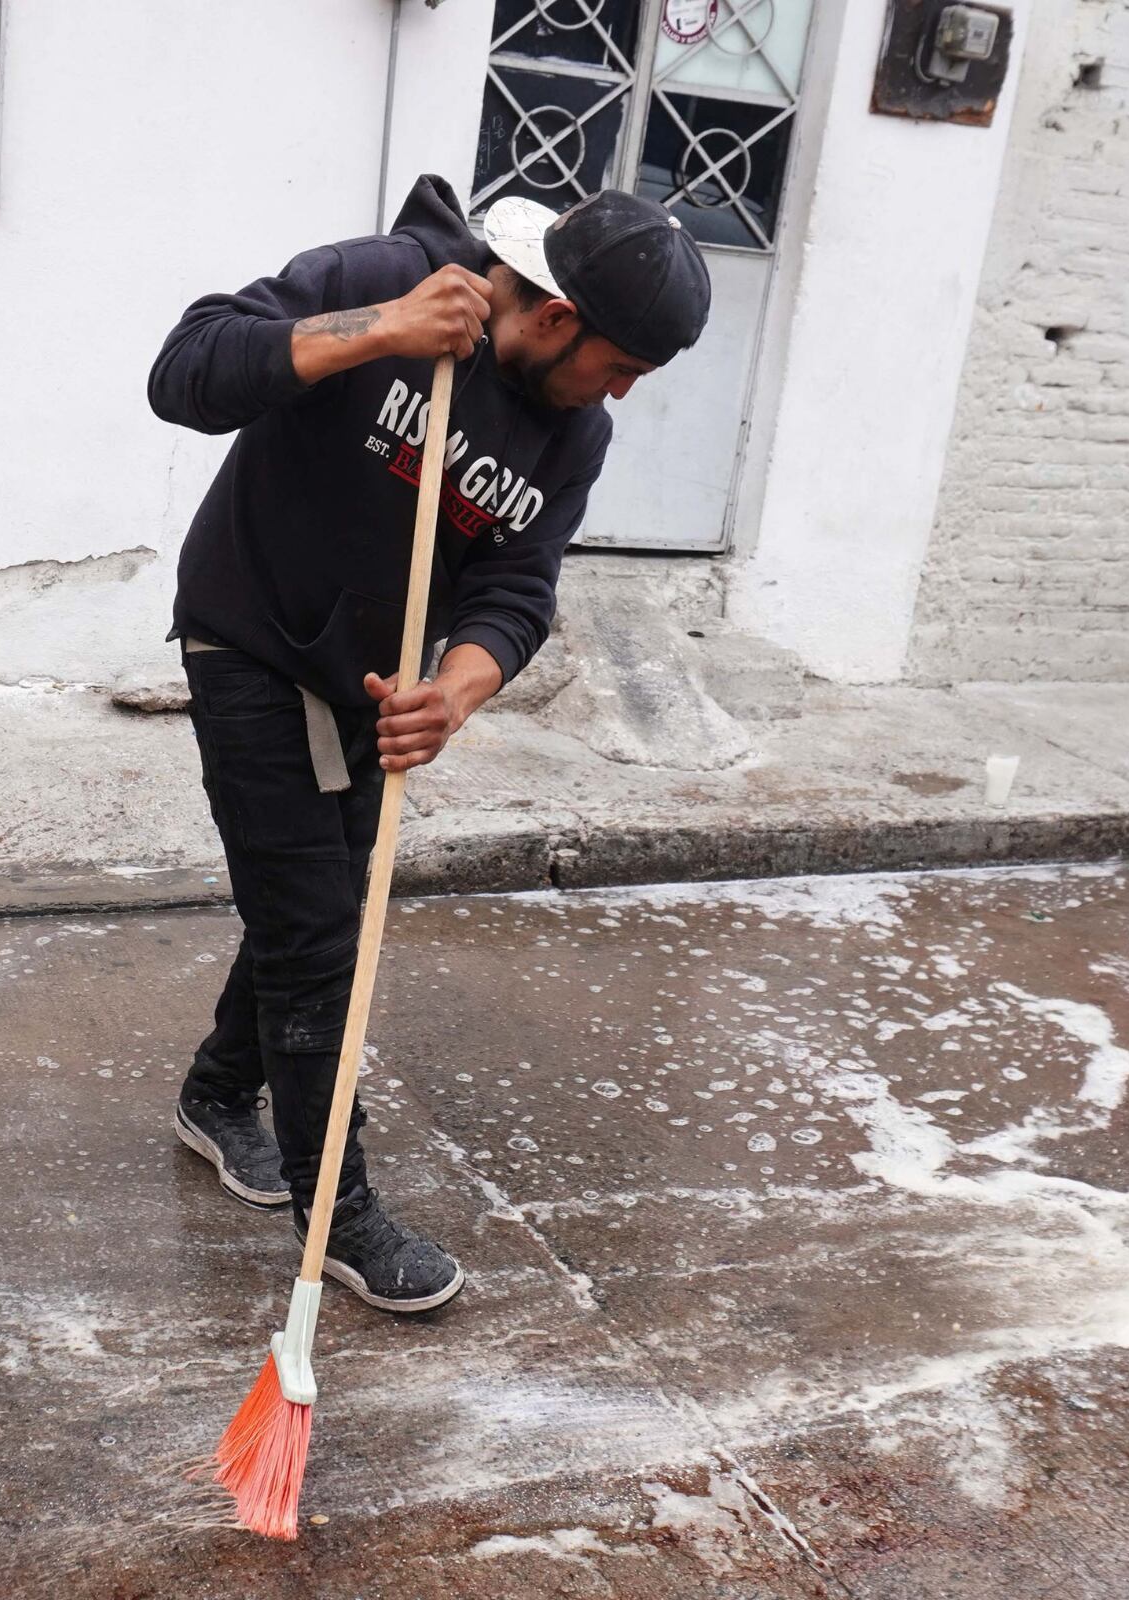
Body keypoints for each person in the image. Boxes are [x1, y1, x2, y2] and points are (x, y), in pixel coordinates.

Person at [147, 174, 710, 1313]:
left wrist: (456, 689)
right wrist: (381, 333)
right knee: (314, 940)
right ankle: (336, 1212)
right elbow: (186, 371)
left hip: (373, 681)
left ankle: (216, 1096)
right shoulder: (376, 281)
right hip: (248, 635)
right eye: (618, 367)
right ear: (556, 318)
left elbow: (517, 584)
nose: (618, 396)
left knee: (319, 899)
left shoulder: (570, 433)